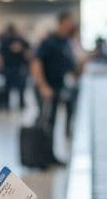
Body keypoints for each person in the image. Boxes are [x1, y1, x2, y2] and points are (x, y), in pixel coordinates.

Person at [31, 12, 81, 140]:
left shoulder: (66, 42)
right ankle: (41, 153)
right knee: (46, 120)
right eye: (68, 23)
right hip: (47, 86)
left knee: (54, 119)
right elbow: (36, 63)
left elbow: (70, 66)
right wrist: (43, 86)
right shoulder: (49, 41)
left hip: (59, 85)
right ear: (61, 23)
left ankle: (50, 153)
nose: (70, 26)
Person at [0, 23, 31, 110]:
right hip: (12, 66)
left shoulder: (19, 40)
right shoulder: (6, 40)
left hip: (16, 66)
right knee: (12, 86)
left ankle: (14, 104)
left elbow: (28, 52)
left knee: (17, 86)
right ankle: (16, 104)